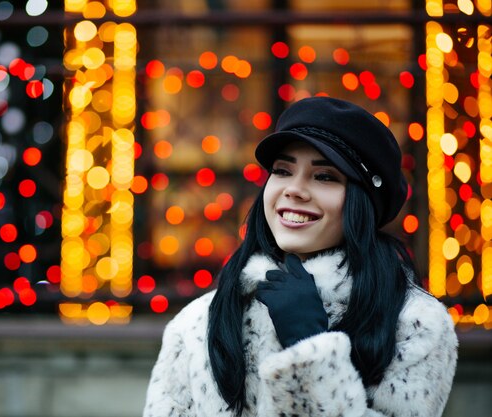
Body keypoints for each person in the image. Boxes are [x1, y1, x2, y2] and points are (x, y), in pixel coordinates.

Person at [142, 97, 458, 417]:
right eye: (282, 170)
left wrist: (309, 348)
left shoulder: (415, 323)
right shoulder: (199, 323)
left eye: (324, 177)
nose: (294, 189)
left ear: (363, 203)